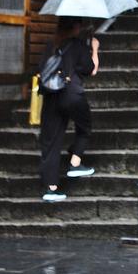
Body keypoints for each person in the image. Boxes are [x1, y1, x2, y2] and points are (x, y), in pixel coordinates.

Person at [38, 17, 100, 201]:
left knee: (51, 142)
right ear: (75, 27)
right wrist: (95, 48)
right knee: (85, 128)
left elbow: (41, 69)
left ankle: (51, 189)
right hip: (72, 95)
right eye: (78, 25)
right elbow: (91, 70)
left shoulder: (50, 45)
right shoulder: (78, 45)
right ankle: (75, 162)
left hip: (51, 96)